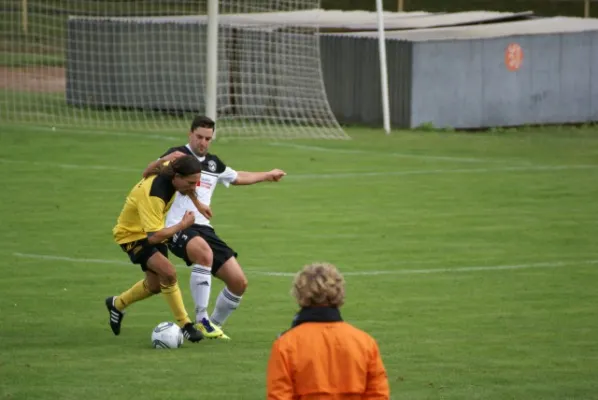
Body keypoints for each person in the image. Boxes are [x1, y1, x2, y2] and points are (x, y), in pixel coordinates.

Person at [141, 115, 286, 340]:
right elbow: (148, 172)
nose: (203, 142)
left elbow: (237, 177)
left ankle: (212, 326)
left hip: (204, 229)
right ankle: (201, 317)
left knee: (239, 282)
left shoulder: (213, 164)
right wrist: (164, 159)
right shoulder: (178, 156)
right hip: (177, 226)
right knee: (205, 254)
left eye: (208, 138)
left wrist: (267, 175)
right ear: (190, 134)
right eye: (199, 137)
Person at [106, 155, 207, 343]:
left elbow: (166, 164)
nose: (194, 187)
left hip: (153, 228)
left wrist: (199, 205)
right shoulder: (154, 195)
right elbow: (154, 238)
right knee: (168, 273)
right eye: (190, 182)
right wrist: (183, 225)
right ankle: (186, 325)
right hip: (133, 235)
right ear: (176, 177)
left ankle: (116, 304)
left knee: (154, 285)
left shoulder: (172, 170)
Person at [266, 262, 390, 400]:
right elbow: (378, 395)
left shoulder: (285, 345)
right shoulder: (365, 343)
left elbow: (279, 396)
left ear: (299, 293)